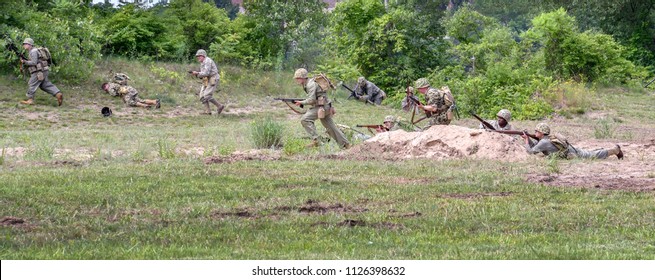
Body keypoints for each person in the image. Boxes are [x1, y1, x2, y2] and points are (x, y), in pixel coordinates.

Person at [292, 68, 350, 148]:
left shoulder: (310, 84)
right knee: (331, 127)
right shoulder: (308, 83)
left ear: (303, 78)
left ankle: (316, 140)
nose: (296, 80)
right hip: (325, 106)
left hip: (322, 107)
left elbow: (311, 100)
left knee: (305, 119)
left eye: (298, 78)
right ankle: (345, 144)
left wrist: (301, 102)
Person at [522, 123, 623, 160]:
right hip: (570, 151)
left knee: (593, 155)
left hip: (571, 153)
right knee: (591, 153)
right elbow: (534, 147)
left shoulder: (544, 142)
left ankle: (614, 150)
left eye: (537, 131)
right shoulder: (544, 140)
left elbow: (531, 152)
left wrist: (527, 139)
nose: (535, 132)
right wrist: (528, 138)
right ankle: (610, 151)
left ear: (542, 132)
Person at [19, 38, 63, 106]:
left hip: (39, 72)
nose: (24, 45)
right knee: (44, 85)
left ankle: (30, 100)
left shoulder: (33, 51)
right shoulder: (34, 50)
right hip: (43, 70)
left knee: (32, 83)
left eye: (25, 44)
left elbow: (34, 62)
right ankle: (57, 94)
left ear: (29, 44)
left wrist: (25, 62)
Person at [190, 49, 224, 115]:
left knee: (207, 95)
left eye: (199, 56)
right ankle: (208, 112)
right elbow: (203, 74)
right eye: (197, 56)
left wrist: (197, 73)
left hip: (212, 78)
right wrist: (197, 74)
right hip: (206, 79)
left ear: (203, 56)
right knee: (202, 96)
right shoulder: (202, 63)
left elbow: (206, 73)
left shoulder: (208, 61)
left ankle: (219, 106)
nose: (198, 57)